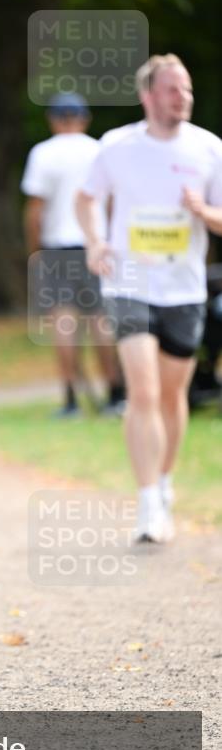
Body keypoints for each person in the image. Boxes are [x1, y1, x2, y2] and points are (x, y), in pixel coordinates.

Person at [76, 54, 222, 543]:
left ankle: (163, 482)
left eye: (186, 89)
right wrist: (96, 241)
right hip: (129, 282)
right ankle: (146, 505)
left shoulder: (209, 148)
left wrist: (204, 211)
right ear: (148, 95)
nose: (182, 97)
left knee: (171, 394)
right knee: (142, 391)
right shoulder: (117, 146)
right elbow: (86, 198)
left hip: (183, 288)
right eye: (171, 89)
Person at [21, 93, 123, 417]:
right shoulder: (99, 150)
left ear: (52, 119)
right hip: (95, 244)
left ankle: (69, 400)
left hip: (56, 246)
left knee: (63, 322)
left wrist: (34, 249)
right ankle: (115, 394)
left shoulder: (42, 153)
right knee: (101, 320)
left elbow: (35, 210)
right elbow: (111, 203)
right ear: (84, 118)